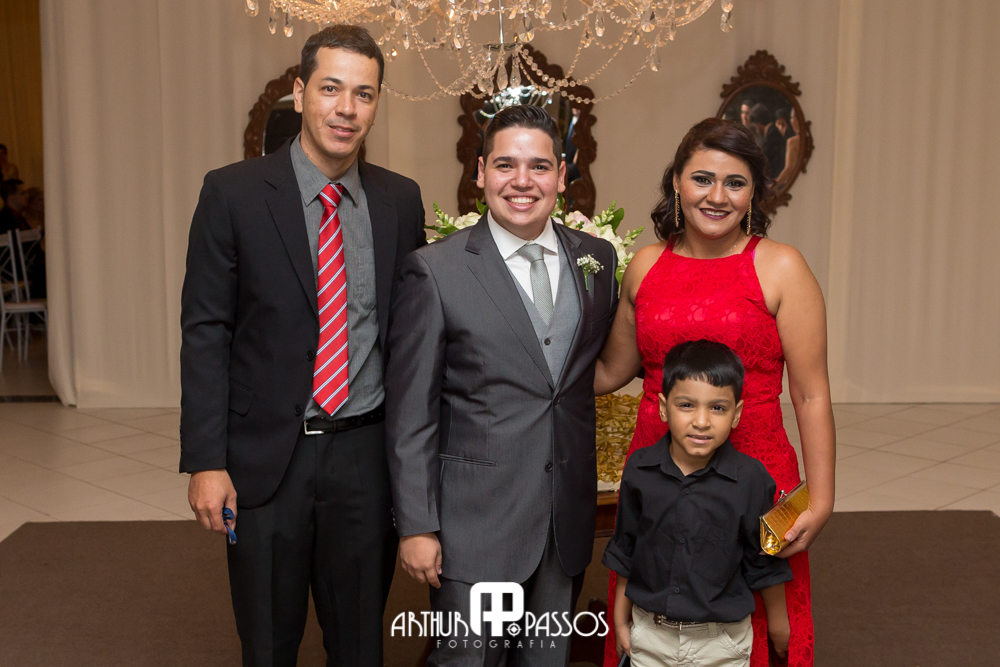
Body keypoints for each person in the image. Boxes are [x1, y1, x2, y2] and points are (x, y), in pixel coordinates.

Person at [180, 25, 425, 667]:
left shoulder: (400, 200)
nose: (347, 109)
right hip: (266, 461)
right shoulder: (232, 193)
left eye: (363, 94)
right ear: (300, 91)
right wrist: (206, 461)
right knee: (267, 643)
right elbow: (206, 331)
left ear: (377, 104)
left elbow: (410, 335)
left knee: (360, 644)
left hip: (366, 458)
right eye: (331, 89)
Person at [595, 118, 835, 667]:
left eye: (735, 183)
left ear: (754, 194)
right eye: (702, 178)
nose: (717, 196)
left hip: (757, 472)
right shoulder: (646, 265)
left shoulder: (781, 266)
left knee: (760, 615)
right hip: (659, 471)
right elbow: (610, 370)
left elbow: (811, 395)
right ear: (677, 182)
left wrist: (821, 497)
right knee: (651, 609)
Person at [385, 104, 619, 667]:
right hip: (475, 525)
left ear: (562, 176)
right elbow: (411, 414)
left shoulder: (597, 258)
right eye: (505, 165)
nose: (522, 181)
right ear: (481, 173)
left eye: (539, 166)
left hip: (562, 523)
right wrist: (417, 526)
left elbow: (577, 378)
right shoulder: (435, 270)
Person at [605, 340, 793, 666]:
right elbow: (626, 549)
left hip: (722, 642)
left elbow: (763, 560)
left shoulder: (751, 479)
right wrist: (621, 620)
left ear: (736, 414)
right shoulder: (640, 468)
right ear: (663, 407)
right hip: (651, 635)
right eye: (687, 405)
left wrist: (779, 624)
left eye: (717, 408)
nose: (702, 421)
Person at [748, 105, 785, 181]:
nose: (756, 131)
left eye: (755, 126)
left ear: (759, 124)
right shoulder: (772, 132)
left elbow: (764, 161)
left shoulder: (772, 135)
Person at [774, 109, 802, 188]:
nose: (791, 121)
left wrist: (774, 187)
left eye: (792, 117)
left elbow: (789, 169)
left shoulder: (792, 141)